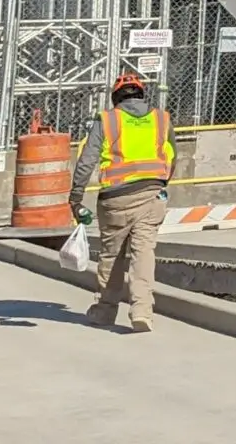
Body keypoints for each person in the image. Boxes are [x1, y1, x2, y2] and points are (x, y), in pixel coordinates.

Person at [68, 71, 173, 332]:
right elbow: (172, 156)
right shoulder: (162, 119)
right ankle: (142, 311)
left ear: (115, 97)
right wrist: (161, 184)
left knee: (112, 255)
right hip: (152, 195)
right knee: (144, 252)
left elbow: (86, 161)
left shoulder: (107, 120)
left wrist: (76, 197)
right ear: (141, 94)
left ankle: (104, 311)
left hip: (115, 198)